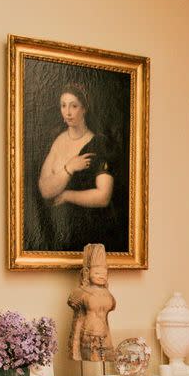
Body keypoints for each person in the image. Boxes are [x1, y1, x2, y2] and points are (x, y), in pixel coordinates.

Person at [37, 83, 124, 252]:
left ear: (84, 109)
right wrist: (69, 168)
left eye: (74, 106)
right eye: (63, 106)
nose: (67, 112)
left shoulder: (99, 144)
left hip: (90, 233)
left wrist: (67, 195)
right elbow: (44, 189)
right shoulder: (57, 140)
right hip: (58, 233)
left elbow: (103, 196)